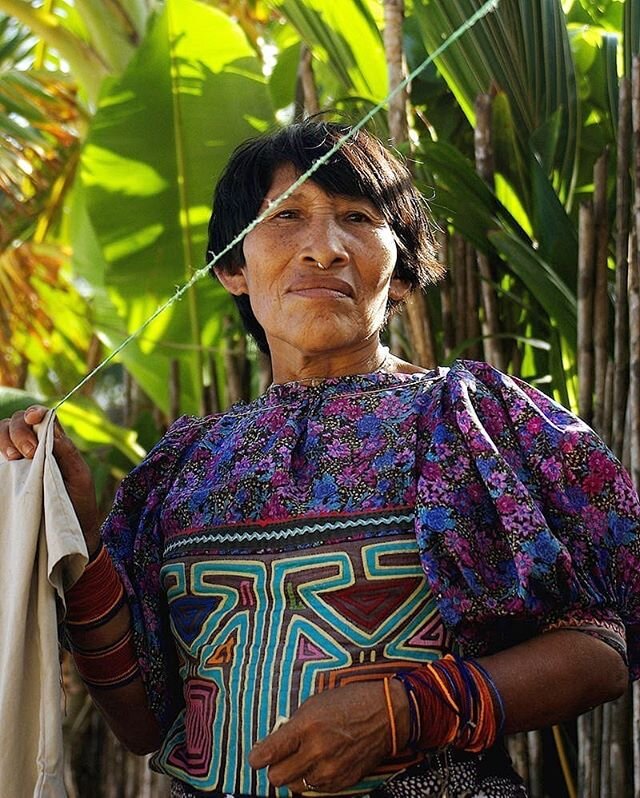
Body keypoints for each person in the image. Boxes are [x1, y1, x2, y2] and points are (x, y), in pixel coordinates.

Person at [2, 120, 639, 798]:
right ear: (232, 269)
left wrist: (409, 711)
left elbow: (600, 649)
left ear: (400, 277)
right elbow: (143, 723)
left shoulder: (470, 422)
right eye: (288, 217)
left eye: (358, 218)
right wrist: (84, 540)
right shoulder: (181, 468)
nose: (325, 249)